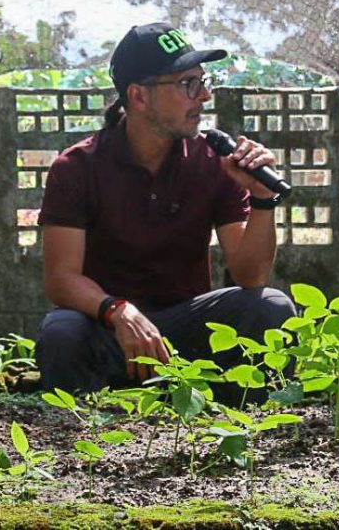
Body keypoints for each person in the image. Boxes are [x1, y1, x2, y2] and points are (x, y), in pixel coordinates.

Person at [35, 22, 295, 396]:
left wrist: (261, 198)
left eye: (204, 82)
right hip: (110, 328)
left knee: (271, 307)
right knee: (62, 332)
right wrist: (118, 311)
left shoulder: (213, 160)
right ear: (139, 97)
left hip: (185, 329)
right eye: (188, 84)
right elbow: (61, 280)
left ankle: (237, 421)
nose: (204, 96)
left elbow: (250, 276)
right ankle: (84, 430)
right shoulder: (77, 167)